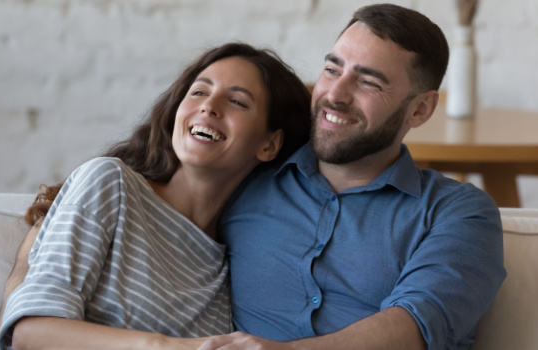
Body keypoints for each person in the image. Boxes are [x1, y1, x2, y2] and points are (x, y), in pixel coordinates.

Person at [198, 4, 505, 350]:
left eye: (368, 82)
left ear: (420, 109)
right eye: (332, 69)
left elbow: (417, 325)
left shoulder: (459, 213)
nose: (335, 95)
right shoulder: (247, 179)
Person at [0, 42, 312, 350]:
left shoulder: (233, 264)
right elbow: (31, 333)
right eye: (199, 91)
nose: (208, 106)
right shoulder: (111, 183)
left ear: (269, 144)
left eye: (237, 102)